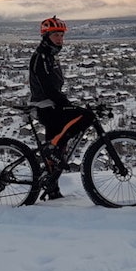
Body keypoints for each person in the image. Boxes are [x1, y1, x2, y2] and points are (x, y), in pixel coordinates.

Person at [28, 16, 95, 200]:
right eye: (56, 35)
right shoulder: (40, 58)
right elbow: (47, 88)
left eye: (61, 35)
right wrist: (65, 102)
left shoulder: (51, 56)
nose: (60, 39)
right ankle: (52, 148)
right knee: (86, 116)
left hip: (52, 104)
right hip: (45, 106)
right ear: (46, 36)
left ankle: (53, 189)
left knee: (60, 147)